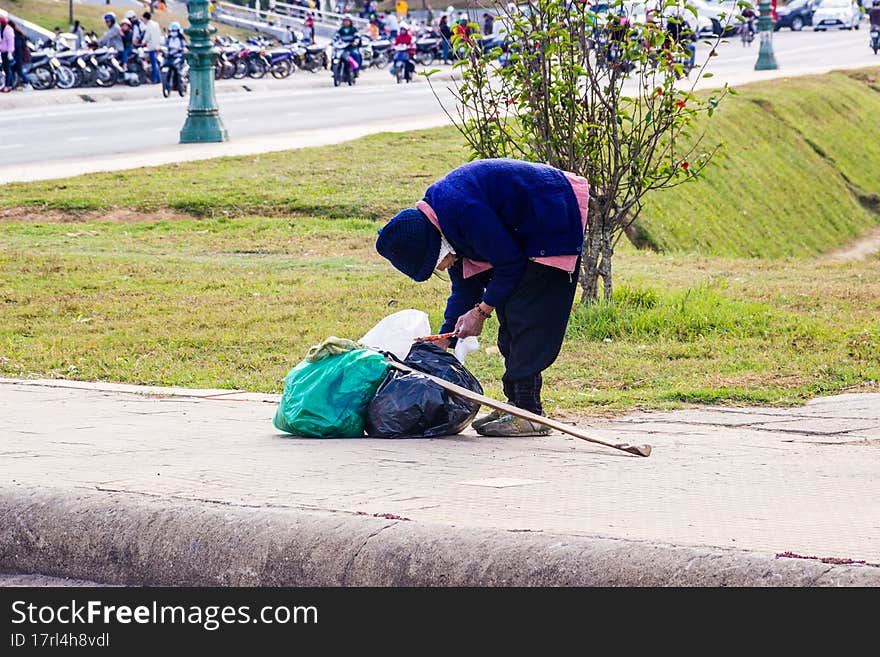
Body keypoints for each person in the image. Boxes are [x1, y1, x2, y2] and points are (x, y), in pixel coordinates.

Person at [375, 159, 588, 437]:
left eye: (435, 264)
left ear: (434, 247)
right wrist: (445, 340)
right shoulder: (444, 226)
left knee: (526, 317)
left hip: (551, 218)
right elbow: (465, 287)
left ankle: (530, 413)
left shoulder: (461, 211)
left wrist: (482, 311)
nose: (441, 268)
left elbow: (510, 264)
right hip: (521, 234)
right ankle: (515, 405)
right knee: (510, 320)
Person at [140, 11, 163, 84]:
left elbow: (147, 37)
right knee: (155, 63)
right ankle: (159, 78)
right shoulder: (156, 24)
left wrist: (142, 42)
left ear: (145, 18)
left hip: (151, 47)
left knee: (154, 64)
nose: (143, 21)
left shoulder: (149, 26)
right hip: (157, 46)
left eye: (143, 19)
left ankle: (154, 79)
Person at [9, 20, 32, 91]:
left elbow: (18, 45)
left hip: (18, 56)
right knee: (13, 70)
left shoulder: (16, 35)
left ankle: (28, 83)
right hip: (18, 55)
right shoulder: (19, 33)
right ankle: (11, 84)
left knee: (19, 71)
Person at [1, 17, 16, 93]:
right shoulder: (2, 30)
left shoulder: (8, 30)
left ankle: (8, 85)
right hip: (3, 52)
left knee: (7, 69)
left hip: (7, 52)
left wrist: (10, 52)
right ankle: (8, 84)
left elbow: (10, 42)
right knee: (6, 69)